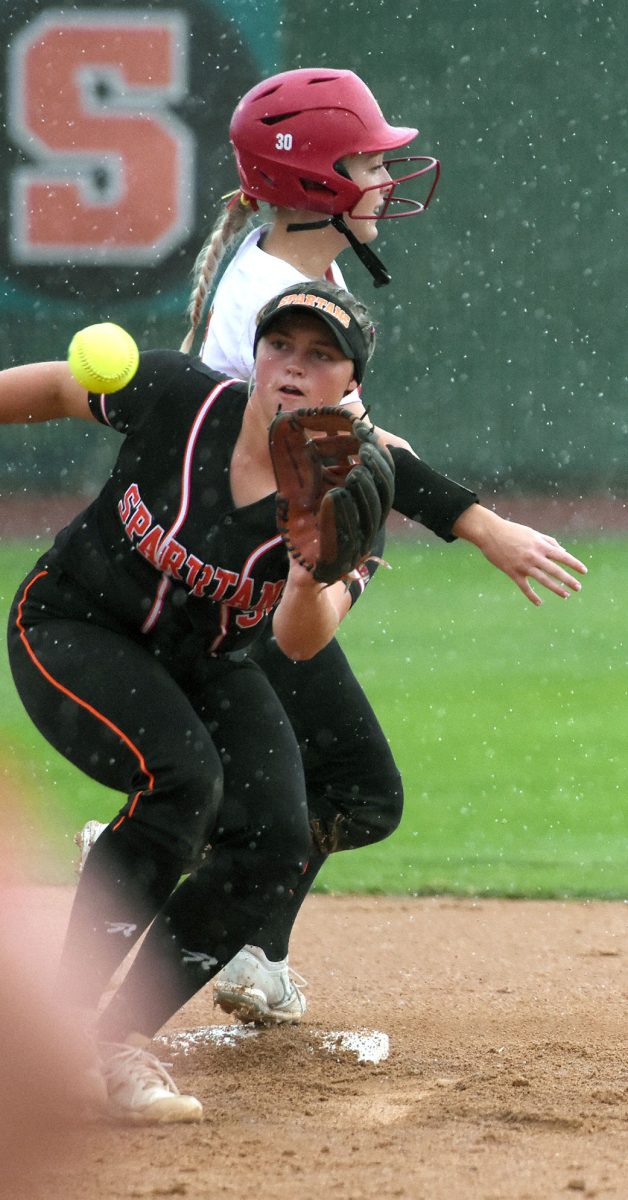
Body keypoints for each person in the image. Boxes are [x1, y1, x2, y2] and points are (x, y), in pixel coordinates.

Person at [168, 67, 588, 1026]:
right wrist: (482, 526)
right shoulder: (274, 294)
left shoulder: (293, 267)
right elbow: (362, 444)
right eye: (366, 161)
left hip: (250, 559)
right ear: (316, 181)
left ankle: (248, 941)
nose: (387, 178)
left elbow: (347, 438)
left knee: (332, 786)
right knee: (357, 790)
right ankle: (162, 848)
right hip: (237, 576)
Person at [4, 284, 402, 1123]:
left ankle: (115, 1041)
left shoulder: (350, 490)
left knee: (274, 841)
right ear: (255, 357)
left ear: (350, 386)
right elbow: (51, 389)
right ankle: (61, 1029)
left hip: (207, 661)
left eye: (320, 355)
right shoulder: (179, 394)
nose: (294, 367)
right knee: (184, 779)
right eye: (280, 345)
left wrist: (306, 572)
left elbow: (299, 642)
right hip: (72, 621)